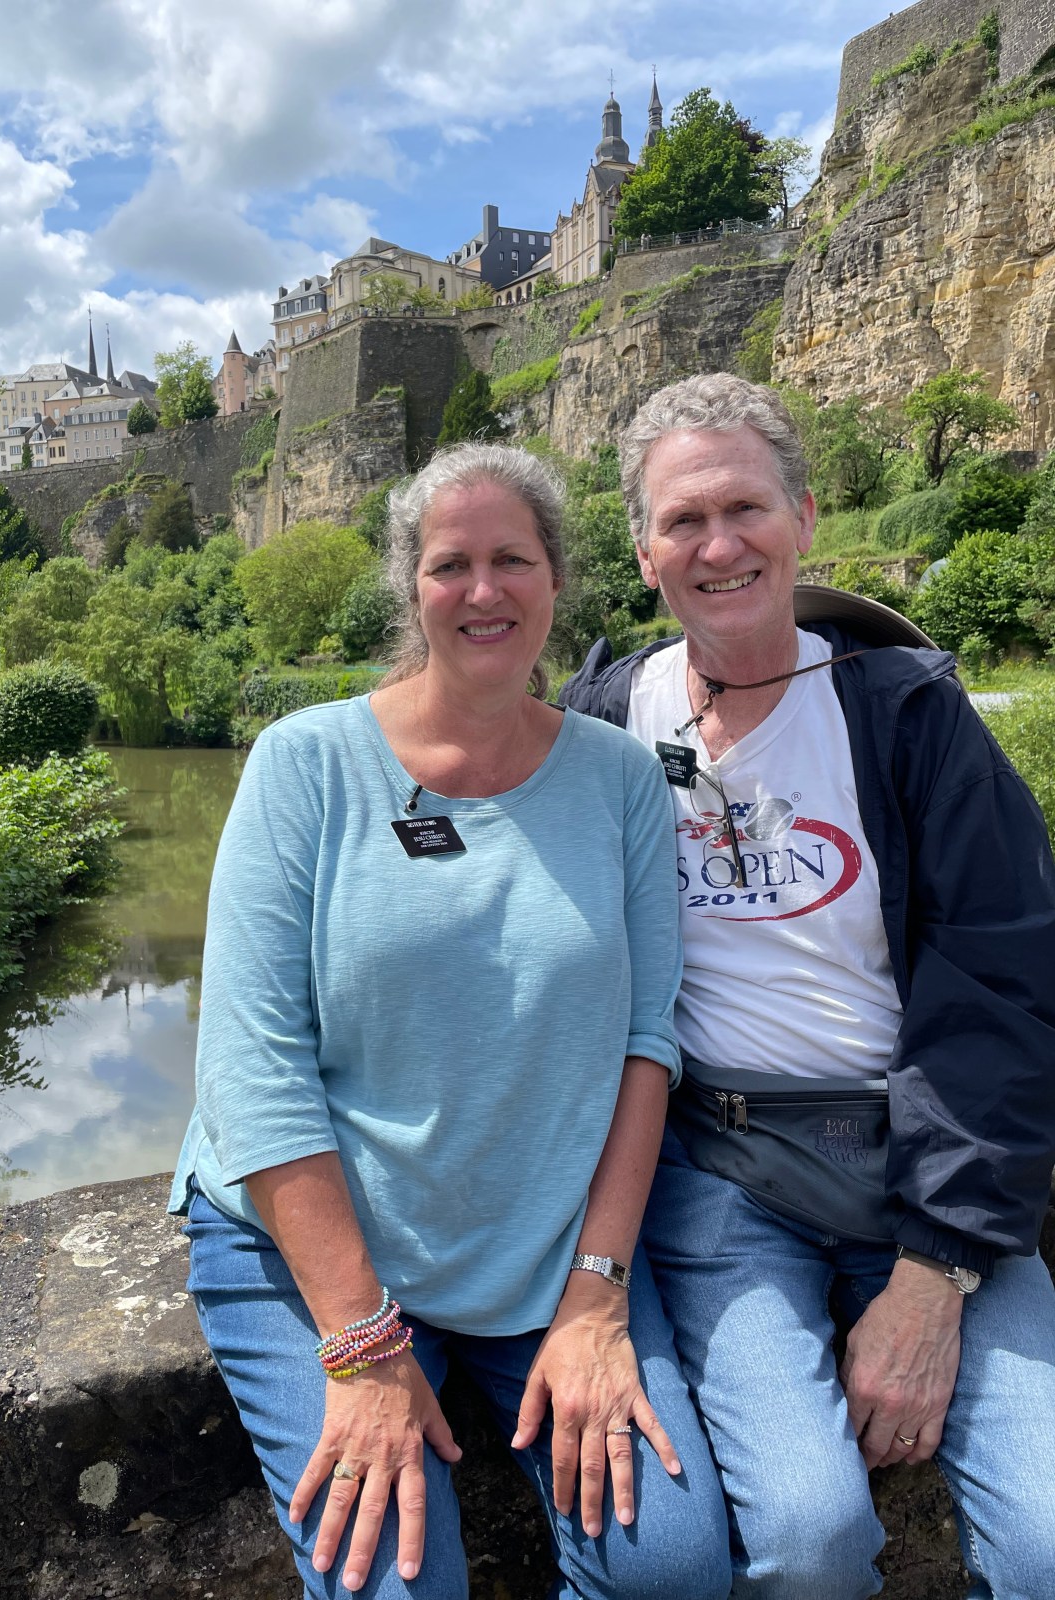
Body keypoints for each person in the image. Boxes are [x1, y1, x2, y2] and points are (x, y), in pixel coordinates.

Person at [169, 441, 730, 1600]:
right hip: (317, 1250)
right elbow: (250, 1068)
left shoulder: (622, 778)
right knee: (399, 1583)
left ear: (559, 581)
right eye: (450, 564)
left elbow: (647, 1041)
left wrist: (596, 1289)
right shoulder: (304, 765)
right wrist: (364, 1348)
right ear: (409, 587)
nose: (484, 590)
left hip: (545, 1245)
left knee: (669, 1567)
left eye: (512, 558)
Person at [560, 373, 1055, 1599]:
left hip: (929, 1168)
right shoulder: (610, 715)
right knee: (811, 1532)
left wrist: (936, 1270)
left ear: (805, 518)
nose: (718, 545)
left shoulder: (909, 715)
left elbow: (1008, 981)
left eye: (745, 507)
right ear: (643, 552)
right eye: (683, 521)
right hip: (722, 1175)